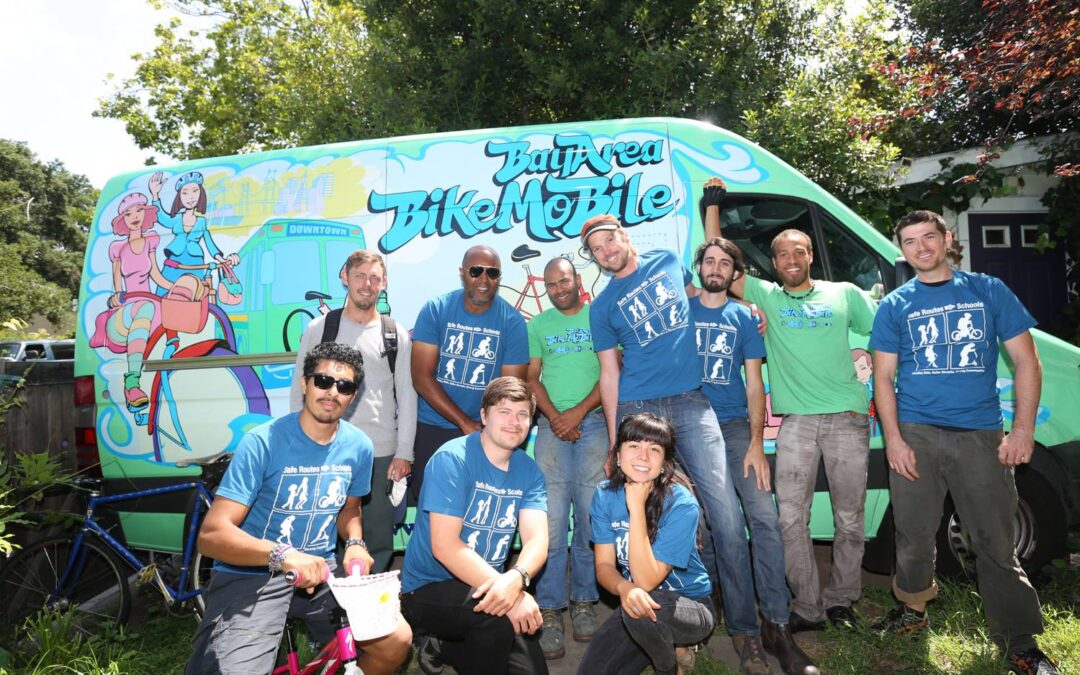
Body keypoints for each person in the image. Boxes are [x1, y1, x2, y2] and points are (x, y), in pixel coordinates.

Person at [869, 210, 1059, 674]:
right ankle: (912, 610)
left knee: (994, 539)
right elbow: (883, 377)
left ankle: (1019, 640)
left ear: (946, 239)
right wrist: (893, 439)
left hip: (980, 436)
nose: (921, 248)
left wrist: (1023, 431)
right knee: (912, 535)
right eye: (911, 241)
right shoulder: (895, 305)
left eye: (929, 237)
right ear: (903, 250)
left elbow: (1027, 362)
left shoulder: (987, 290)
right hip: (916, 434)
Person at [582, 214, 766, 673]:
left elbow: (706, 294)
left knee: (724, 513)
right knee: (646, 511)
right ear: (593, 258)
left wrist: (745, 305)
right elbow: (609, 373)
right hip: (638, 405)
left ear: (624, 237)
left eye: (610, 240)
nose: (606, 251)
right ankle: (676, 620)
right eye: (596, 249)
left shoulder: (667, 262)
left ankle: (747, 633)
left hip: (690, 400)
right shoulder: (602, 306)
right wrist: (613, 441)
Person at [703, 176, 878, 633]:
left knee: (849, 516)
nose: (790, 259)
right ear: (775, 263)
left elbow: (881, 337)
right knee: (790, 518)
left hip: (847, 418)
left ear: (810, 256)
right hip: (796, 422)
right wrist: (712, 206)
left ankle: (842, 599)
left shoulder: (844, 294)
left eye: (798, 251)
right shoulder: (766, 296)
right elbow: (717, 258)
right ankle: (807, 605)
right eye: (782, 253)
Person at [186, 342, 412, 675]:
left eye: (344, 386)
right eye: (322, 380)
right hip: (253, 575)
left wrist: (354, 543)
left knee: (396, 641)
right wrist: (283, 555)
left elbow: (349, 509)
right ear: (304, 383)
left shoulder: (358, 446)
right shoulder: (263, 441)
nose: (332, 391)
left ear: (353, 396)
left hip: (323, 575)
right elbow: (211, 534)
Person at [690, 237, 818, 675]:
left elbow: (752, 384)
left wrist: (757, 446)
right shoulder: (680, 313)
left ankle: (776, 626)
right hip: (692, 429)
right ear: (699, 267)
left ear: (733, 273)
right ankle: (726, 616)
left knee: (763, 516)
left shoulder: (744, 317)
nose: (716, 268)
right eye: (709, 261)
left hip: (736, 429)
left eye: (725, 263)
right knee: (712, 525)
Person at [400, 376, 549, 675]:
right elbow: (445, 547)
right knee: (494, 617)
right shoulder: (452, 459)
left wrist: (516, 579)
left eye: (523, 414)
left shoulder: (529, 469)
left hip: (487, 582)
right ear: (483, 416)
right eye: (504, 412)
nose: (514, 422)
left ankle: (443, 645)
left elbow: (537, 541)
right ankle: (436, 635)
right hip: (429, 588)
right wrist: (509, 592)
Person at [290, 249, 417, 573]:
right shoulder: (320, 328)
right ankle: (326, 610)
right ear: (344, 277)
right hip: (326, 450)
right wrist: (298, 442)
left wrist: (404, 453)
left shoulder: (395, 333)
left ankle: (368, 613)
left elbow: (407, 393)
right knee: (321, 534)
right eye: (359, 275)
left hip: (380, 454)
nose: (367, 284)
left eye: (375, 278)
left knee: (376, 540)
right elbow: (299, 387)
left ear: (384, 284)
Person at [576, 413, 714, 675]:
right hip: (638, 605)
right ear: (617, 455)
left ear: (664, 462)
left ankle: (669, 667)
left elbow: (647, 580)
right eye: (634, 446)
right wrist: (624, 588)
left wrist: (636, 507)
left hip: (690, 607)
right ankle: (666, 646)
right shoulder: (605, 495)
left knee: (638, 608)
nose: (643, 456)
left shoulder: (681, 504)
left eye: (654, 449)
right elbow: (604, 565)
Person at [526, 256, 605, 659]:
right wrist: (556, 417)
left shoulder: (598, 318)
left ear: (577, 281)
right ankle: (551, 609)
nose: (559, 289)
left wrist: (577, 413)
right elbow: (531, 377)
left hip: (593, 423)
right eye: (551, 284)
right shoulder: (538, 326)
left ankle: (584, 603)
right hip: (550, 428)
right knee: (552, 522)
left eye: (564, 281)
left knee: (592, 516)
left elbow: (612, 370)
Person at [410, 245, 529, 502]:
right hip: (433, 426)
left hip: (486, 431)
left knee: (480, 506)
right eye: (476, 271)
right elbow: (421, 377)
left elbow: (511, 390)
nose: (484, 280)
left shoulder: (513, 322)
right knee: (431, 504)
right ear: (462, 273)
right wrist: (464, 422)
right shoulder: (436, 309)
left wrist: (486, 428)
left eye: (492, 273)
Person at [89, 191, 172, 413]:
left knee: (165, 312)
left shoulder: (151, 241)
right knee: (144, 309)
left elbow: (156, 275)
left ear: (145, 215)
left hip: (150, 308)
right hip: (126, 311)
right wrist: (117, 296)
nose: (134, 216)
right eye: (128, 213)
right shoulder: (118, 248)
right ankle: (132, 382)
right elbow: (117, 284)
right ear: (123, 221)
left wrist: (176, 288)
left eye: (139, 211)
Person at [148, 171, 239, 292]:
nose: (190, 197)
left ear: (201, 194)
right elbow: (162, 218)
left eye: (195, 191)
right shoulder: (176, 219)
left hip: (195, 264)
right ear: (179, 197)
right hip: (174, 264)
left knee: (194, 297)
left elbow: (209, 243)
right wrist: (155, 195)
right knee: (164, 295)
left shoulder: (201, 221)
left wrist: (222, 260)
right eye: (185, 193)